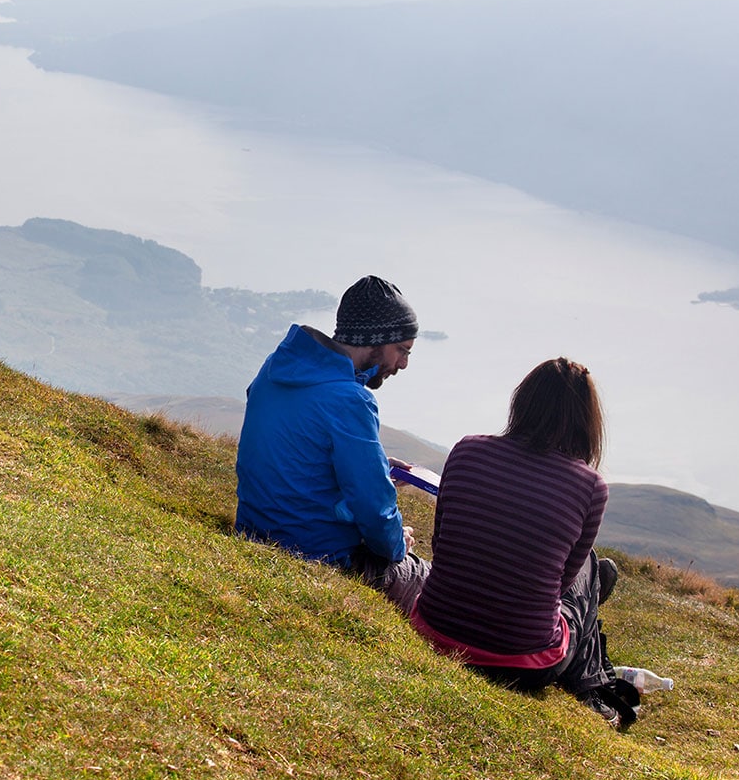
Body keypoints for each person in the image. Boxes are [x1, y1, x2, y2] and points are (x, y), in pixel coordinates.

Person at [407, 357, 640, 728]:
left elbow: (441, 542)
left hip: (435, 628)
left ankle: (593, 672)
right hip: (520, 663)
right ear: (587, 422)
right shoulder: (590, 486)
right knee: (589, 569)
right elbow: (561, 585)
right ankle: (591, 684)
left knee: (583, 575)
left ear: (523, 401)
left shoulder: (466, 449)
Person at [234, 275, 428, 612]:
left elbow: (301, 448)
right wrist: (399, 545)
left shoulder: (275, 370)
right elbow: (376, 513)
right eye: (402, 350)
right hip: (317, 552)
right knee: (432, 584)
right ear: (376, 339)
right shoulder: (349, 400)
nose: (404, 364)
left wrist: (375, 463)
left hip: (254, 530)